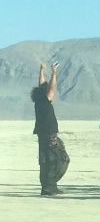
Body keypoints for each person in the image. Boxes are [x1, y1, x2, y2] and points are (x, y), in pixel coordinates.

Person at [32, 62, 70, 196]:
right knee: (60, 158)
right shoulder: (45, 99)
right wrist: (54, 73)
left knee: (45, 159)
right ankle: (50, 184)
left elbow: (42, 86)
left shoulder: (38, 100)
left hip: (42, 133)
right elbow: (51, 89)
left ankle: (47, 187)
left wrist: (41, 71)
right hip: (49, 134)